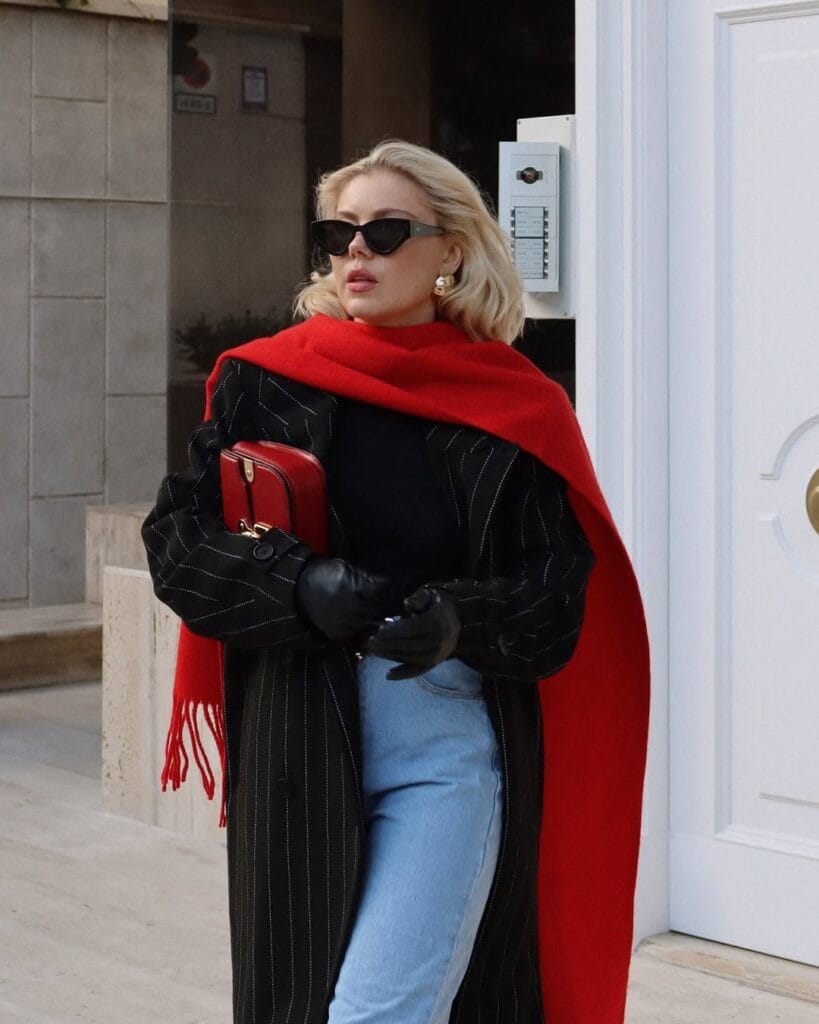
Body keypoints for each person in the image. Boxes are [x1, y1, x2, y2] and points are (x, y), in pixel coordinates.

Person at [142, 140, 650, 1024]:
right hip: (297, 735)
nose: (355, 253)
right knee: (301, 1002)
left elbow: (555, 591)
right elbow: (177, 541)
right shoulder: (264, 381)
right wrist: (296, 585)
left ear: (451, 249)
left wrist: (458, 618)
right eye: (339, 233)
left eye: (384, 230)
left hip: (443, 742)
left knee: (380, 1010)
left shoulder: (517, 403)